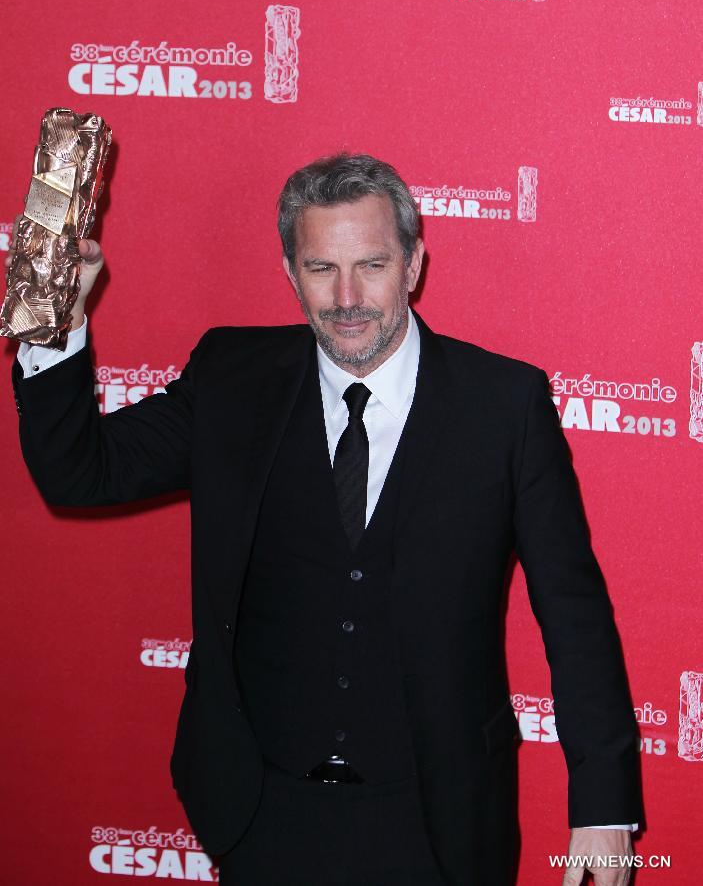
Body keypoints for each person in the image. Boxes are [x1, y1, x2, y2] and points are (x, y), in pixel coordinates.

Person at [8, 154, 643, 886]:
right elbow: (80, 475)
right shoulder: (231, 377)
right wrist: (55, 316)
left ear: (412, 265)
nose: (347, 298)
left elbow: (573, 613)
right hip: (260, 816)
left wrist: (601, 810)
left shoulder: (502, 405)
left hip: (439, 822)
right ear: (288, 271)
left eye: (371, 264)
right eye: (320, 268)